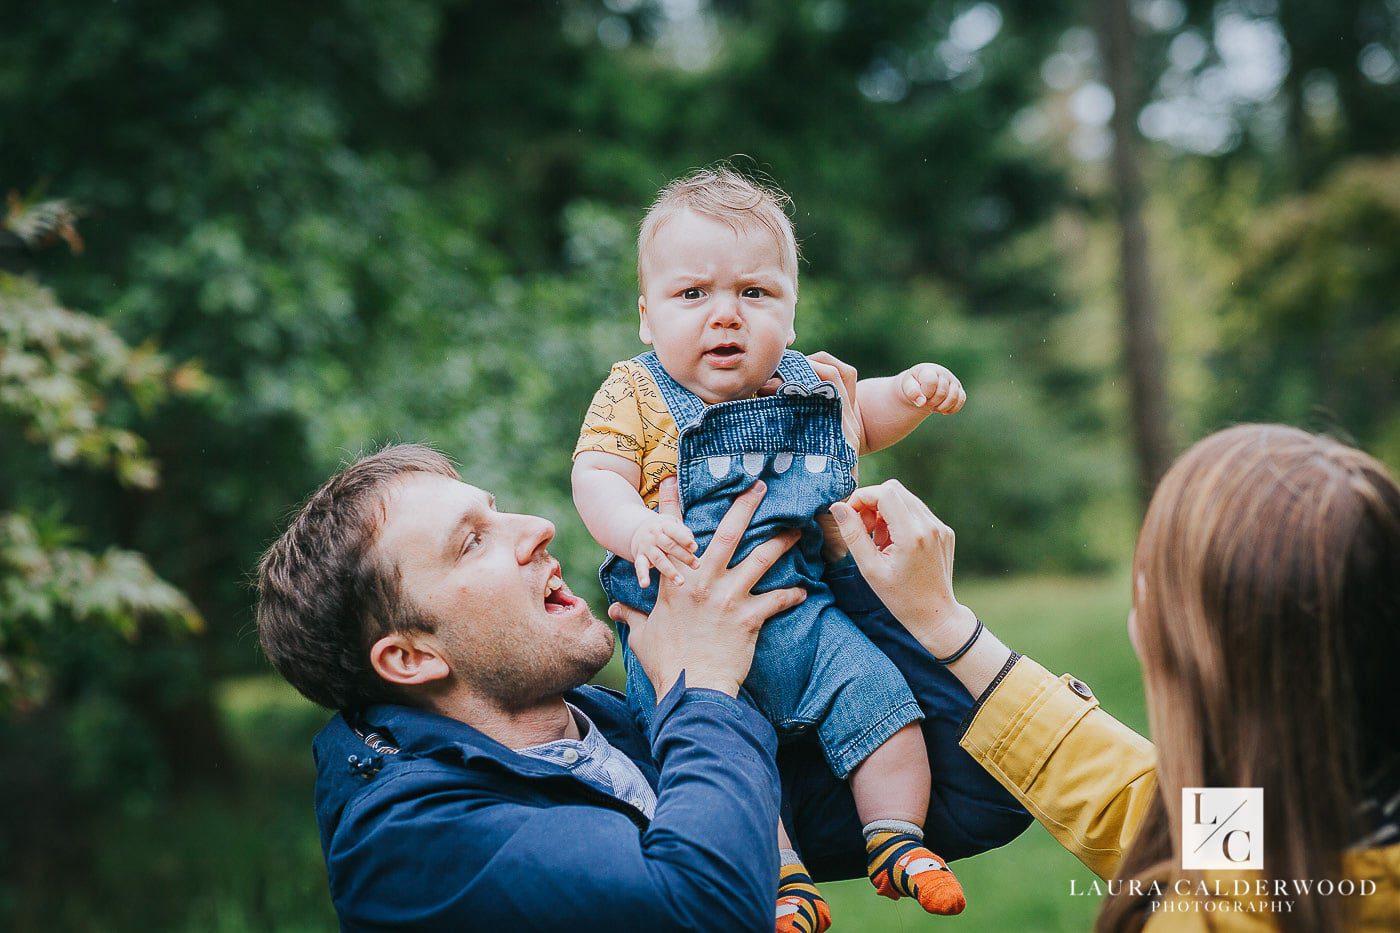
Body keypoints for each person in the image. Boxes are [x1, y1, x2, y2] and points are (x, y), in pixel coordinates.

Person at [255, 444, 1030, 933]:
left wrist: (856, 584)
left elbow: (981, 789)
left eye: (498, 509)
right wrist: (706, 686)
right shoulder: (410, 840)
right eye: (472, 541)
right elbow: (703, 909)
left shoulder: (613, 728)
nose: (536, 526)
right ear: (410, 657)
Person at [572, 166, 969, 928]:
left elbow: (867, 416)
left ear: (790, 315)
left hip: (808, 618)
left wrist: (912, 391)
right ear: (648, 317)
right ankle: (785, 879)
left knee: (884, 701)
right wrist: (634, 527)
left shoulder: (805, 383)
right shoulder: (635, 391)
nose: (726, 316)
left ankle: (898, 837)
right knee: (726, 758)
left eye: (754, 293)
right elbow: (596, 473)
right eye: (694, 295)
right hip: (686, 635)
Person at [823, 423, 1400, 932]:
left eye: (1151, 580)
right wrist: (946, 627)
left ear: (1199, 653)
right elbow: (1141, 807)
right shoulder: (1311, 830)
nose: (1137, 602)